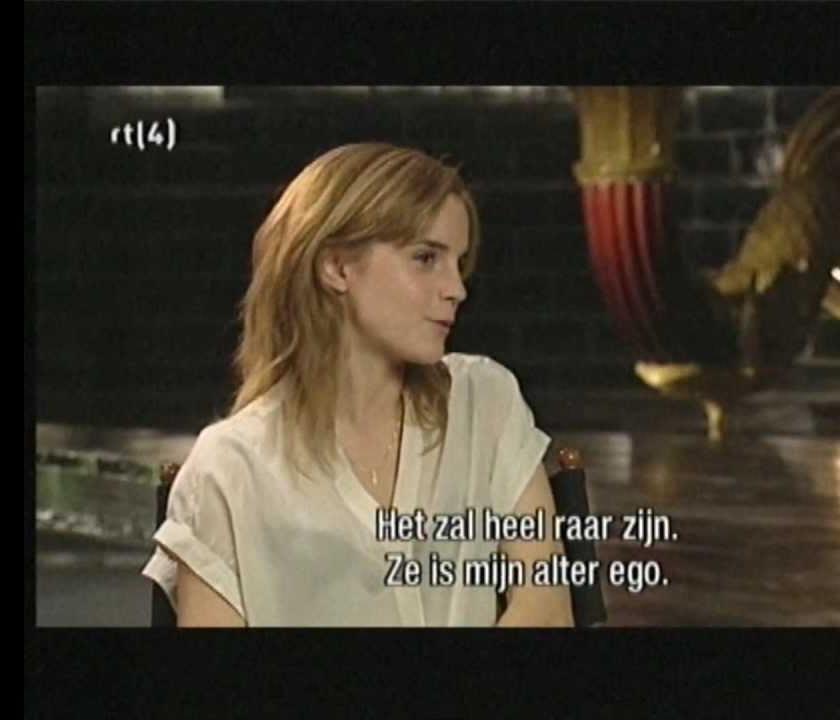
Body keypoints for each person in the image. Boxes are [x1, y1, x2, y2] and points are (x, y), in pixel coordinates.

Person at [141, 142, 574, 627]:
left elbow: (546, 607)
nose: (457, 288)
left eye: (459, 262)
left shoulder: (485, 400)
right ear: (337, 267)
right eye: (426, 258)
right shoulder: (229, 468)